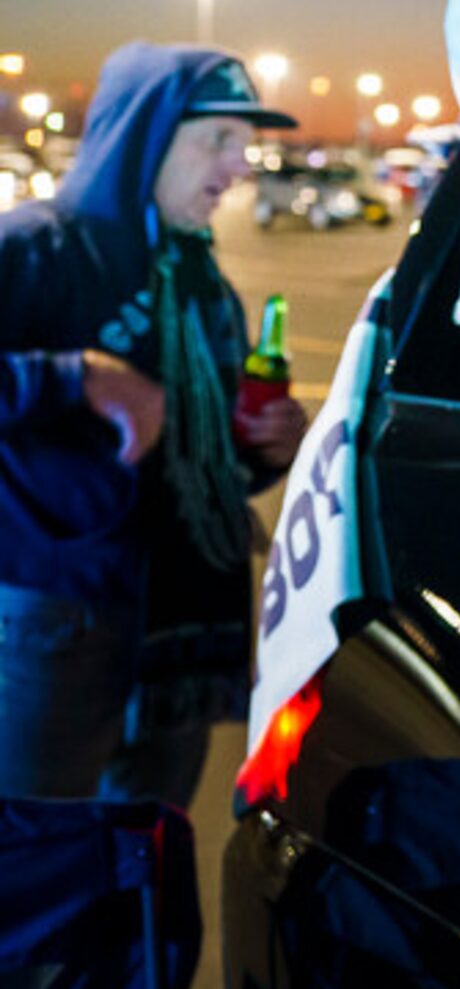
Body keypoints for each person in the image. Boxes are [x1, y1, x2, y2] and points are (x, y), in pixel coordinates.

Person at [0, 45, 308, 806]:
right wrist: (78, 377)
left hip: (179, 632)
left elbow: (214, 459)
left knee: (146, 868)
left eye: (247, 144)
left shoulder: (209, 289)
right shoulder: (37, 250)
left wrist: (265, 447)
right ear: (145, 138)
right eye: (218, 140)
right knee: (36, 872)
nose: (240, 166)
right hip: (53, 626)